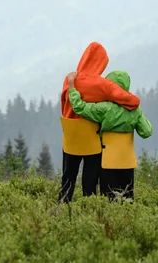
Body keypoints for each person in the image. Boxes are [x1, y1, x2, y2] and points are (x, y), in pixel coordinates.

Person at [58, 42, 141, 203]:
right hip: (92, 141)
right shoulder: (103, 84)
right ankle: (89, 208)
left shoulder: (69, 80)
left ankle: (62, 206)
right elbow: (133, 101)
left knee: (68, 177)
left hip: (71, 138)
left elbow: (64, 105)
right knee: (90, 182)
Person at [67, 70, 153, 202]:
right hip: (127, 163)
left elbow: (79, 107)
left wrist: (72, 86)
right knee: (128, 201)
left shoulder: (105, 108)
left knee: (109, 201)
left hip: (107, 162)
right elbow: (146, 132)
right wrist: (137, 114)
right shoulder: (135, 109)